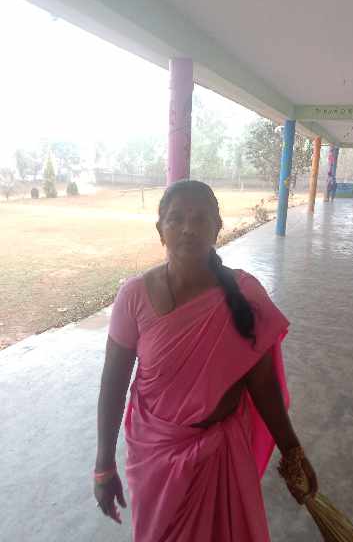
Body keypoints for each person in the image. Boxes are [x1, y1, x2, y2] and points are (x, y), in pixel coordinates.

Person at [94, 180, 318, 541]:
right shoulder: (133, 296)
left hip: (221, 455)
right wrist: (104, 465)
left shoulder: (245, 293)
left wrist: (292, 451)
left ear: (217, 227)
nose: (188, 228)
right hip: (155, 458)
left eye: (200, 218)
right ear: (160, 230)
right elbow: (113, 383)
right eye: (176, 218)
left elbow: (263, 384)